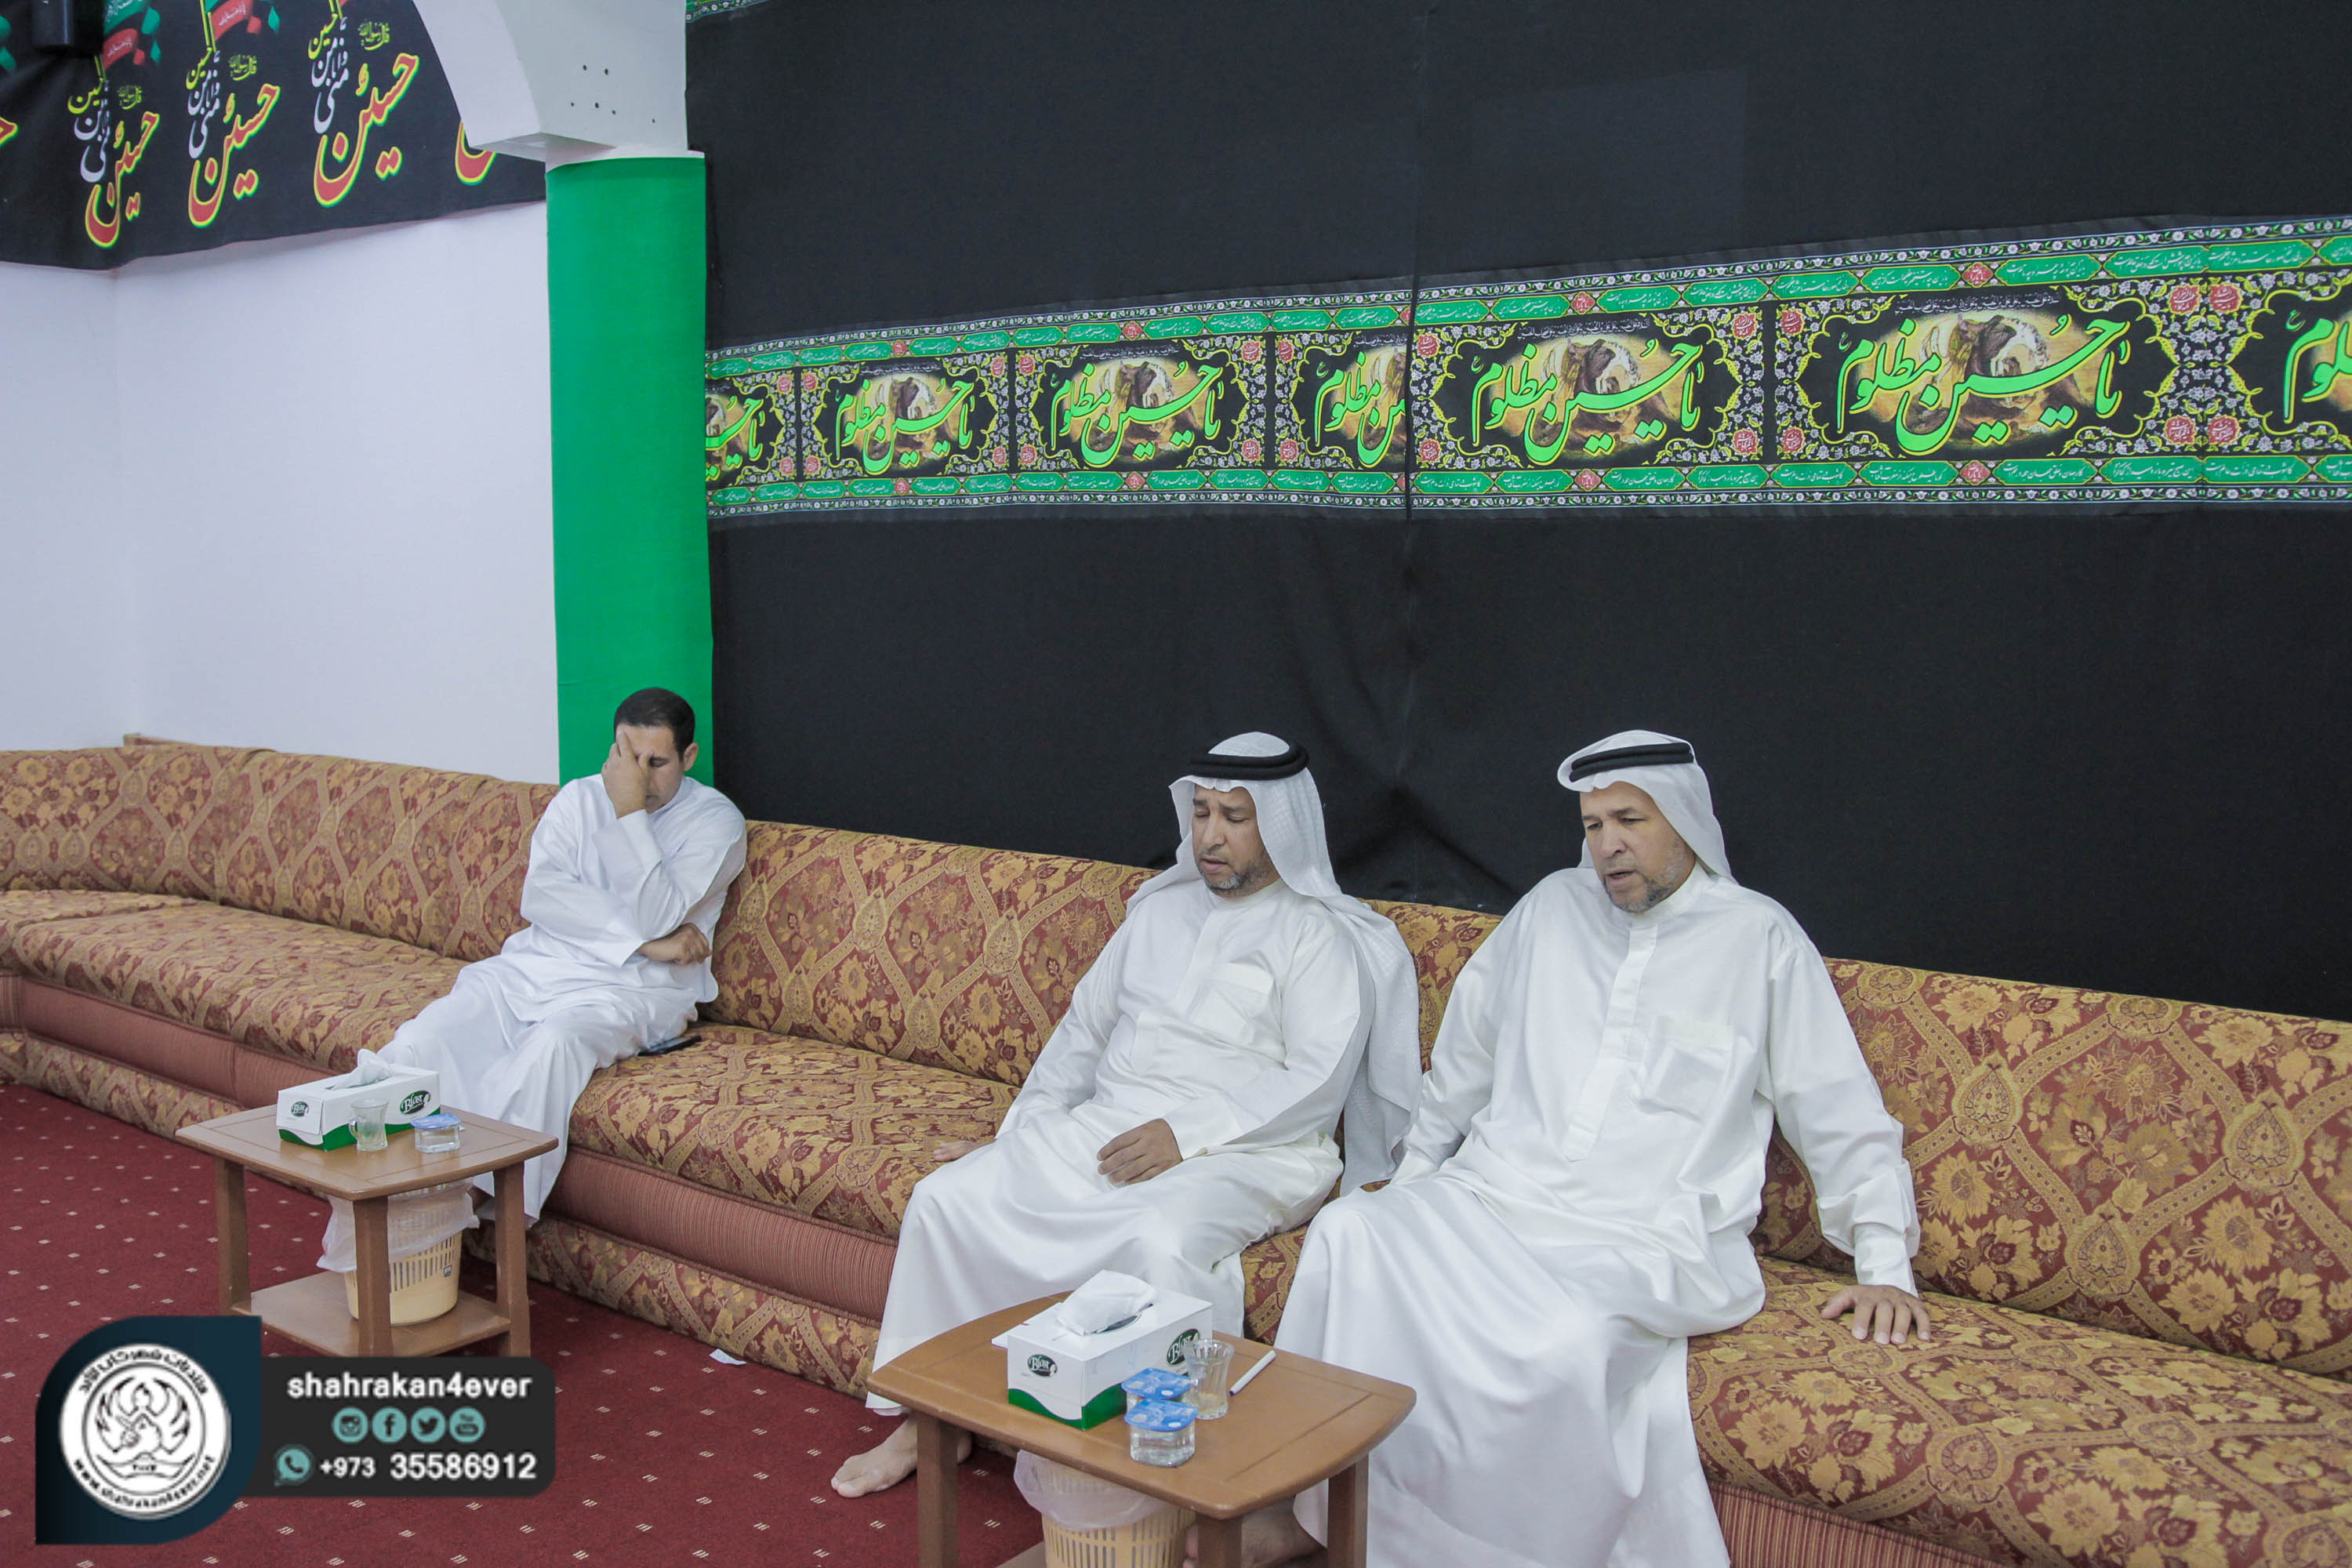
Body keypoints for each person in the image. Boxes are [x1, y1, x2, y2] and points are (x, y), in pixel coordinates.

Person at [1227, 730, 1928, 1568]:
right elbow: (1465, 1059)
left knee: (1565, 1339)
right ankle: (1316, 1509)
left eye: (1630, 820)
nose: (1608, 845)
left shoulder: (1759, 940)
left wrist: (1883, 1261)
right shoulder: (1550, 909)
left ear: (1684, 819)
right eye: (1594, 825)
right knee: (1351, 1233)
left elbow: (1837, 1107)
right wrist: (1415, 1176)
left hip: (1645, 1235)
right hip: (1499, 1193)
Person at [830, 732, 1421, 1498]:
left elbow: (1315, 1080)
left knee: (1159, 1241)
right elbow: (1081, 1033)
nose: (1210, 836)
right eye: (1201, 812)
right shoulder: (1157, 913)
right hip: (1112, 1122)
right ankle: (931, 1415)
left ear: (1281, 825)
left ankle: (1161, 1457)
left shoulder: (1320, 935)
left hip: (1252, 1150)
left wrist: (1185, 1134)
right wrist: (1019, 1136)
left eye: (1235, 817)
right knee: (952, 1198)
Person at [339, 688, 747, 1229]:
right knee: (425, 1038)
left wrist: (628, 811)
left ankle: (478, 1209)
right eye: (628, 758)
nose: (640, 777)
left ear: (689, 757)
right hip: (536, 967)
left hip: (637, 990)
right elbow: (544, 898)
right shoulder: (577, 799)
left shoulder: (716, 822)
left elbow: (656, 911)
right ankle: (376, 1191)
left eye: (657, 763)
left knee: (551, 1045)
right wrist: (649, 944)